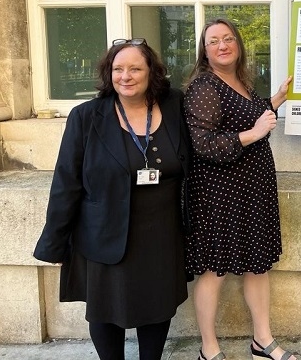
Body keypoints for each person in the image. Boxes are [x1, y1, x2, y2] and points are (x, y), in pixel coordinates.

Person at [33, 38, 192, 360]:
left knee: (157, 305)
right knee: (105, 309)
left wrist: (268, 108)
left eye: (135, 68)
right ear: (109, 74)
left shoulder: (175, 104)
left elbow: (214, 125)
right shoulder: (86, 116)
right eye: (118, 69)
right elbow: (66, 181)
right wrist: (55, 241)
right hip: (104, 230)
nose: (126, 76)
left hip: (163, 232)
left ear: (151, 73)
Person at [183, 18, 294, 360]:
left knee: (257, 265)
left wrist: (275, 100)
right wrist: (253, 134)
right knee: (215, 272)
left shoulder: (241, 81)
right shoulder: (205, 86)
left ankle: (262, 340)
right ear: (205, 50)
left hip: (252, 189)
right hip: (220, 195)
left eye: (228, 38)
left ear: (239, 44)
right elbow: (202, 144)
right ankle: (209, 348)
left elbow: (252, 117)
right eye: (214, 40)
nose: (222, 45)